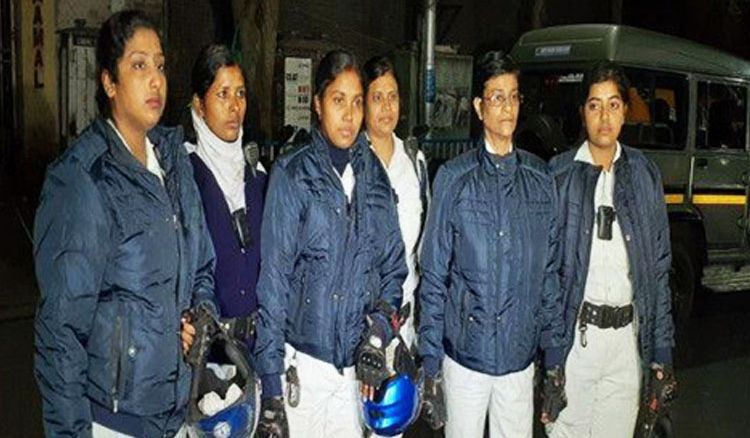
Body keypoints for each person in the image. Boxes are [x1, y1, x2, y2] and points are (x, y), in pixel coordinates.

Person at [33, 10, 216, 438]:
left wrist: (199, 315)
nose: (155, 79)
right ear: (109, 82)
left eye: (160, 65)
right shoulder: (83, 179)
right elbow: (61, 335)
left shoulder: (174, 162)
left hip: (177, 413)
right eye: (138, 65)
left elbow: (202, 265)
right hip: (114, 421)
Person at [253, 50, 407, 438]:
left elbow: (394, 270)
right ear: (319, 104)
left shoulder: (375, 177)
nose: (350, 114)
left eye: (357, 102)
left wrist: (377, 332)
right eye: (339, 100)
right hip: (303, 367)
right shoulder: (292, 174)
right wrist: (271, 383)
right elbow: (273, 282)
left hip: (357, 373)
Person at [418, 51, 564, 438]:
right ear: (480, 108)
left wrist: (554, 360)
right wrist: (430, 363)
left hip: (519, 365)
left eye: (514, 96)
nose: (507, 107)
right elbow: (433, 275)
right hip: (465, 362)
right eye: (497, 97)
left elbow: (549, 277)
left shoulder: (539, 180)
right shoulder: (453, 179)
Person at [543, 62, 676, 438]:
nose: (604, 117)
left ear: (625, 111)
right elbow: (547, 277)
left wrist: (661, 353)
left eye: (613, 105)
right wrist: (553, 358)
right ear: (582, 111)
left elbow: (658, 271)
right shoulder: (558, 175)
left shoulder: (645, 175)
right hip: (577, 344)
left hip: (626, 347)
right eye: (594, 105)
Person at [185, 44, 266, 345]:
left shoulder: (257, 175)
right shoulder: (185, 175)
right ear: (198, 104)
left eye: (241, 94)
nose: (235, 106)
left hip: (257, 353)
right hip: (205, 357)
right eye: (223, 94)